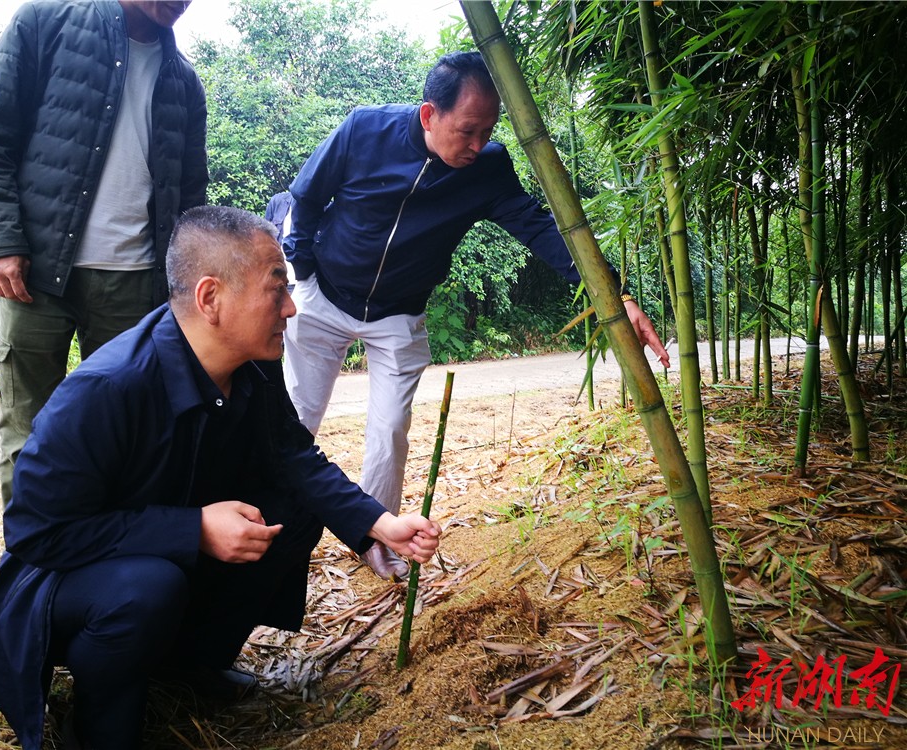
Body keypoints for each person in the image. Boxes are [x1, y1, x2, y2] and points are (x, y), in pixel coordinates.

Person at [0, 206, 443, 750]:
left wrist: (380, 524)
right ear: (210, 298)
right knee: (147, 589)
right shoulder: (106, 390)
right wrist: (192, 528)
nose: (291, 309)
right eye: (277, 291)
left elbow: (294, 458)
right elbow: (35, 535)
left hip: (159, 554)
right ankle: (99, 725)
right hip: (64, 587)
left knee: (291, 511)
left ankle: (189, 662)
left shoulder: (253, 362)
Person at [282, 51, 670, 580]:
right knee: (296, 418)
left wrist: (612, 293)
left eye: (488, 130)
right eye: (468, 130)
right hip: (324, 295)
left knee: (390, 429)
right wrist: (302, 272)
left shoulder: (487, 167)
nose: (477, 144)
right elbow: (304, 198)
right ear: (428, 115)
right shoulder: (363, 130)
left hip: (398, 312)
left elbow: (538, 228)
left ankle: (374, 538)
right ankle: (272, 524)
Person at [0, 0, 208, 505]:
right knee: (29, 429)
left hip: (138, 281)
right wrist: (0, 241)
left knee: (127, 432)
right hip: (36, 271)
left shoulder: (184, 81)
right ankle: (29, 568)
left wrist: (181, 284)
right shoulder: (44, 22)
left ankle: (107, 564)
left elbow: (190, 194)